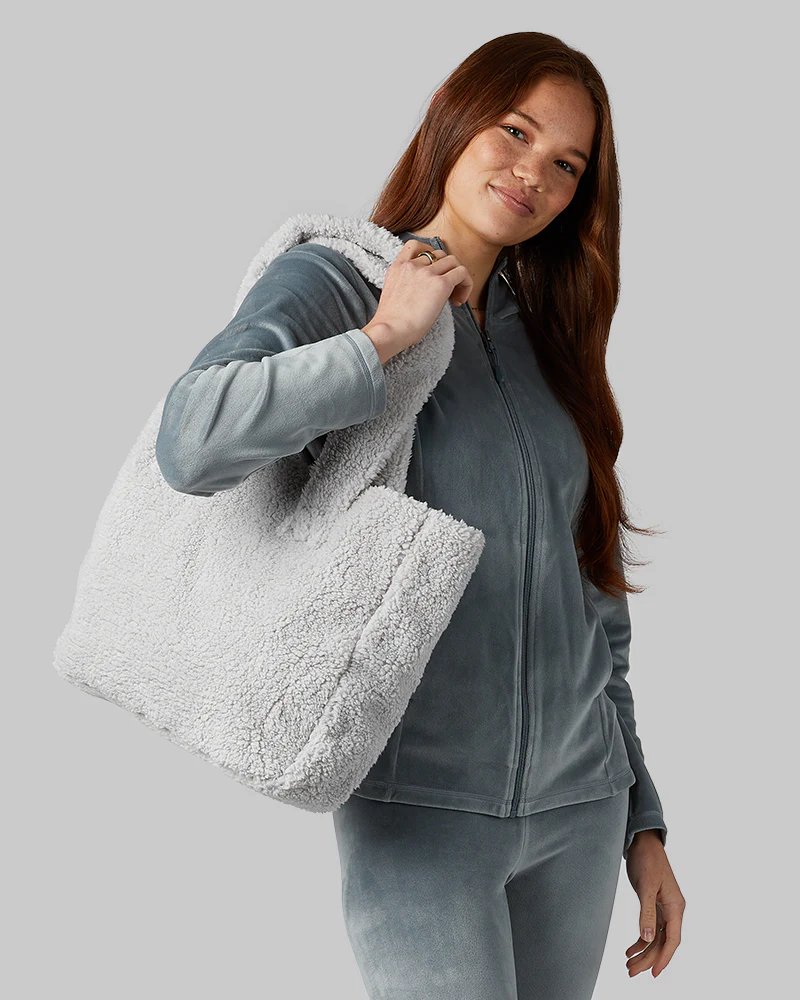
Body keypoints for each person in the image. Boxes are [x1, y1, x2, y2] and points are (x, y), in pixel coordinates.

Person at [155, 30, 685, 1000]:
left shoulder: (548, 341)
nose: (533, 173)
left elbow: (593, 600)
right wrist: (382, 338)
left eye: (565, 165)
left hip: (581, 810)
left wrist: (640, 820)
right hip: (421, 812)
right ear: (455, 116)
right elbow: (191, 442)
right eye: (515, 131)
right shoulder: (338, 282)